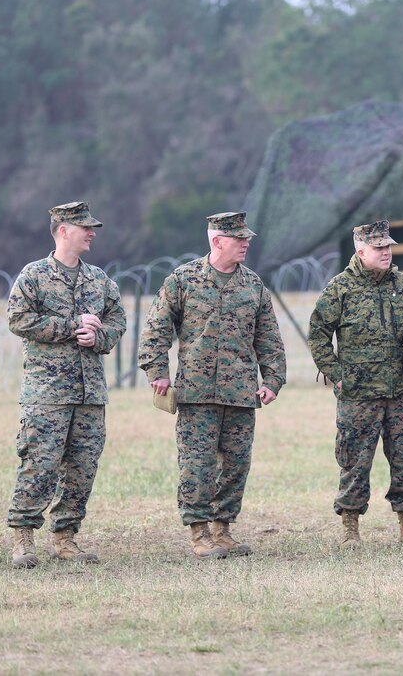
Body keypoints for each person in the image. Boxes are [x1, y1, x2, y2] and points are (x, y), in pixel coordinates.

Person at [138, 211, 286, 559]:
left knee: (236, 464)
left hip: (241, 394)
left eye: (247, 238)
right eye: (239, 239)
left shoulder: (253, 286)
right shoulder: (184, 280)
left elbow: (269, 339)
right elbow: (156, 329)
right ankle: (199, 532)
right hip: (197, 394)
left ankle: (223, 530)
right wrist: (157, 370)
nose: (246, 243)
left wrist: (274, 380)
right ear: (217, 241)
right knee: (198, 464)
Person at [6, 202, 126, 568]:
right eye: (85, 228)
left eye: (92, 228)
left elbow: (117, 321)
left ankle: (65, 537)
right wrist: (70, 327)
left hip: (90, 395)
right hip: (48, 395)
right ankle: (24, 537)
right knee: (39, 465)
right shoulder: (34, 276)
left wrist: (99, 336)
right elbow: (17, 318)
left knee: (82, 466)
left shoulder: (99, 280)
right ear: (62, 231)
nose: (92, 233)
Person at [308, 220, 403, 547]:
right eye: (379, 248)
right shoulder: (340, 289)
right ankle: (351, 529)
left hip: (400, 393)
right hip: (358, 395)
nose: (387, 253)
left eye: (389, 247)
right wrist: (336, 373)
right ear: (360, 251)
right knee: (354, 461)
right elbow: (318, 334)